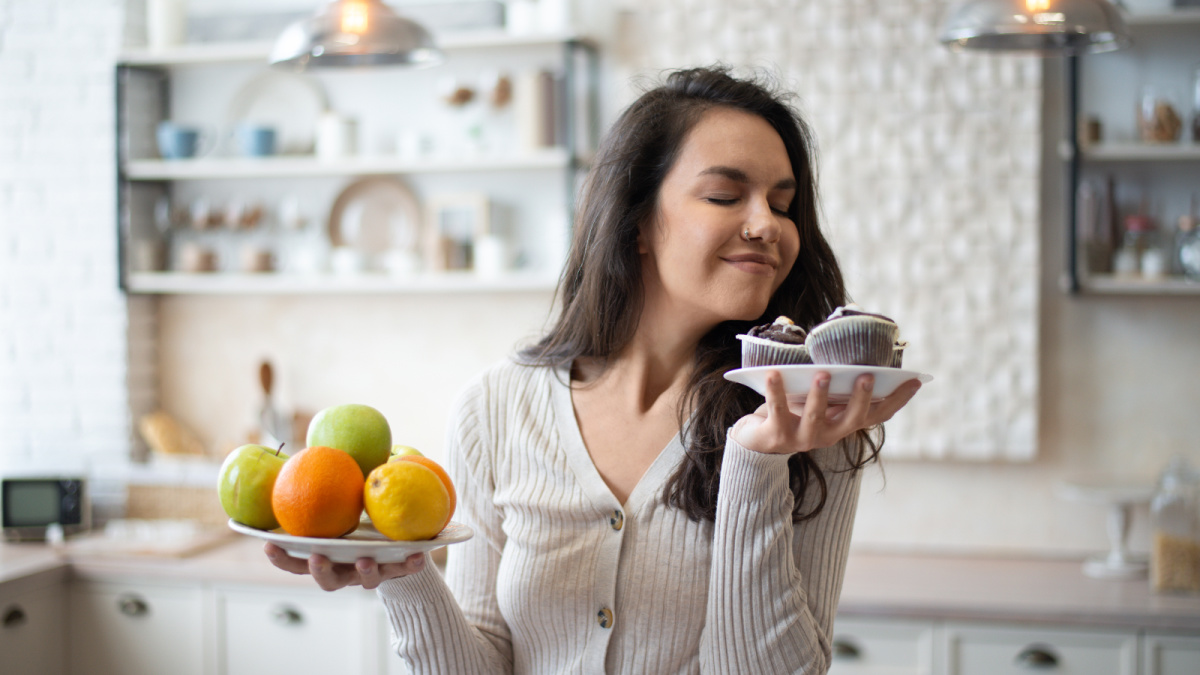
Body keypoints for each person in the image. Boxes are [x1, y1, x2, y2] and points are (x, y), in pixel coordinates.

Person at [265, 65, 922, 674]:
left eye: (782, 204)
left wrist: (757, 462)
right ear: (637, 222)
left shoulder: (809, 413)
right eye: (726, 194)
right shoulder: (496, 407)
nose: (767, 225)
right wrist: (401, 568)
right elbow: (483, 656)